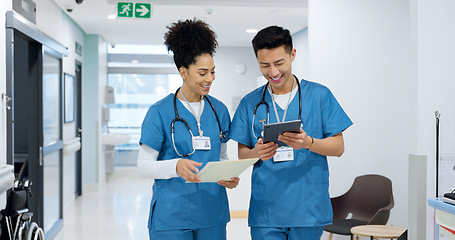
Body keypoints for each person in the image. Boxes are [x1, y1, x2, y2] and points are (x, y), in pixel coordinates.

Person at [230, 26, 353, 240]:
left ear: (292, 55)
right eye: (264, 65)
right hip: (267, 210)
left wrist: (308, 142)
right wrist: (257, 153)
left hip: (307, 207)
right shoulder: (250, 103)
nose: (273, 72)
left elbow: (338, 148)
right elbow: (243, 155)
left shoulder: (319, 95)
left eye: (279, 63)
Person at [137, 19, 239, 240]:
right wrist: (176, 166)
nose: (210, 78)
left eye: (212, 71)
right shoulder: (159, 112)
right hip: (172, 215)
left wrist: (229, 175)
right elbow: (143, 166)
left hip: (212, 213)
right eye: (202, 73)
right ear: (183, 72)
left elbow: (220, 155)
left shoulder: (219, 110)